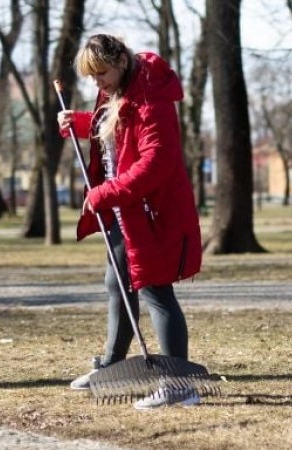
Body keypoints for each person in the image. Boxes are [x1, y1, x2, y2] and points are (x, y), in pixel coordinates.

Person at [57, 34, 204, 410]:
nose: (98, 83)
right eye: (92, 77)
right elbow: (119, 128)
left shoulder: (152, 96)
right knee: (117, 284)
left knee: (156, 291)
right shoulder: (125, 90)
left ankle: (180, 385)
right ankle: (113, 366)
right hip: (126, 211)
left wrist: (105, 193)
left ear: (121, 60)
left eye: (101, 73)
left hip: (153, 213)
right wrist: (80, 120)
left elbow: (156, 163)